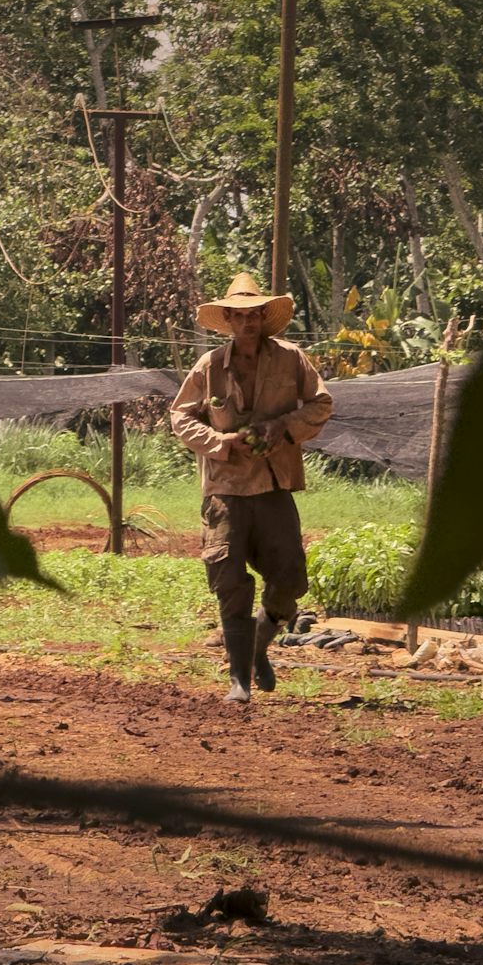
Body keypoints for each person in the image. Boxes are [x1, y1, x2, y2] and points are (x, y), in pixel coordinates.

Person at [170, 273, 333, 702]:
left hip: (274, 483)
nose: (247, 323)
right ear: (227, 319)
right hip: (225, 488)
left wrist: (283, 426)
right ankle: (238, 680)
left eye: (254, 315)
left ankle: (259, 644)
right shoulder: (209, 367)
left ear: (263, 317)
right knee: (228, 579)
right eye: (239, 316)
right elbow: (180, 417)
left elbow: (322, 403)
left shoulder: (291, 359)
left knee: (290, 579)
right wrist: (221, 442)